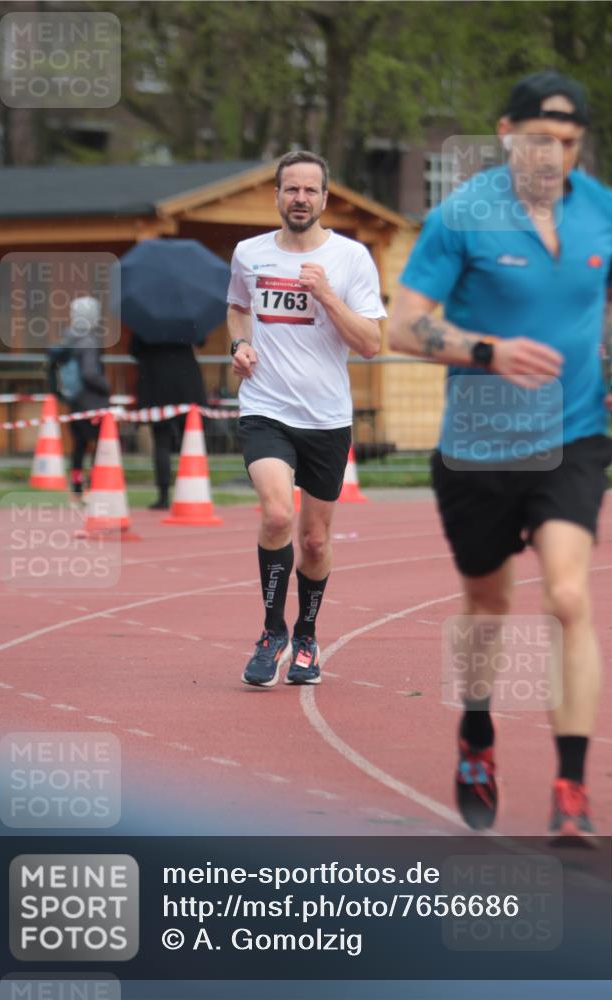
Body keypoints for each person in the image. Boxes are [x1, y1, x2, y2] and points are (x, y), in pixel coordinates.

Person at [388, 71, 612, 838]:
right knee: (487, 607)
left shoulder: (609, 213)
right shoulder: (461, 216)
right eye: (540, 140)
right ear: (505, 132)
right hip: (479, 446)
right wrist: (487, 351)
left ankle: (569, 788)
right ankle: (475, 733)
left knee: (568, 596)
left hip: (572, 435)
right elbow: (402, 326)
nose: (554, 154)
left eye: (568, 142)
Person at [227, 150, 385, 687]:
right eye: (290, 189)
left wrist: (326, 295)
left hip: (326, 418)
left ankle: (307, 638)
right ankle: (272, 632)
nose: (299, 198)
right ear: (276, 196)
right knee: (276, 517)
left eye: (309, 190)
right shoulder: (249, 253)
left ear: (324, 197)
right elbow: (236, 306)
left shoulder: (351, 259)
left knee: (314, 541)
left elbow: (369, 343)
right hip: (265, 407)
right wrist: (240, 341)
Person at [129, 335, 207, 510]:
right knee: (191, 441)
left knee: (161, 442)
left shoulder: (145, 319)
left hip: (156, 383)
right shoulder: (187, 313)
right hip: (186, 382)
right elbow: (200, 340)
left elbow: (134, 350)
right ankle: (194, 493)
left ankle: (163, 495)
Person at [48, 295, 111, 498]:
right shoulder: (88, 340)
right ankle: (95, 484)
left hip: (74, 400)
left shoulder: (69, 338)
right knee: (98, 446)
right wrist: (106, 385)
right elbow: (90, 373)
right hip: (92, 401)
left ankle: (76, 486)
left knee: (78, 446)